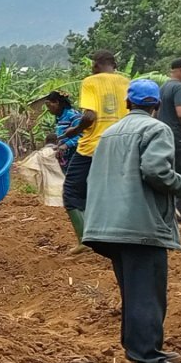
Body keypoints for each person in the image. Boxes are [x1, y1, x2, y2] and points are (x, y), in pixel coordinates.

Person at [83, 78, 181, 363]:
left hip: (107, 225)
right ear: (157, 106)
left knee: (134, 291)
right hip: (139, 225)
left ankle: (138, 347)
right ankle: (148, 358)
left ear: (128, 104)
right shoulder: (156, 129)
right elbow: (157, 172)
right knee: (147, 293)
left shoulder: (110, 133)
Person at [62, 50, 128, 240]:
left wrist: (73, 131)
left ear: (96, 65)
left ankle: (85, 240)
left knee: (71, 193)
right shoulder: (126, 83)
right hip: (122, 145)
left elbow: (90, 116)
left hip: (93, 147)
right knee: (113, 192)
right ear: (114, 65)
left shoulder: (90, 82)